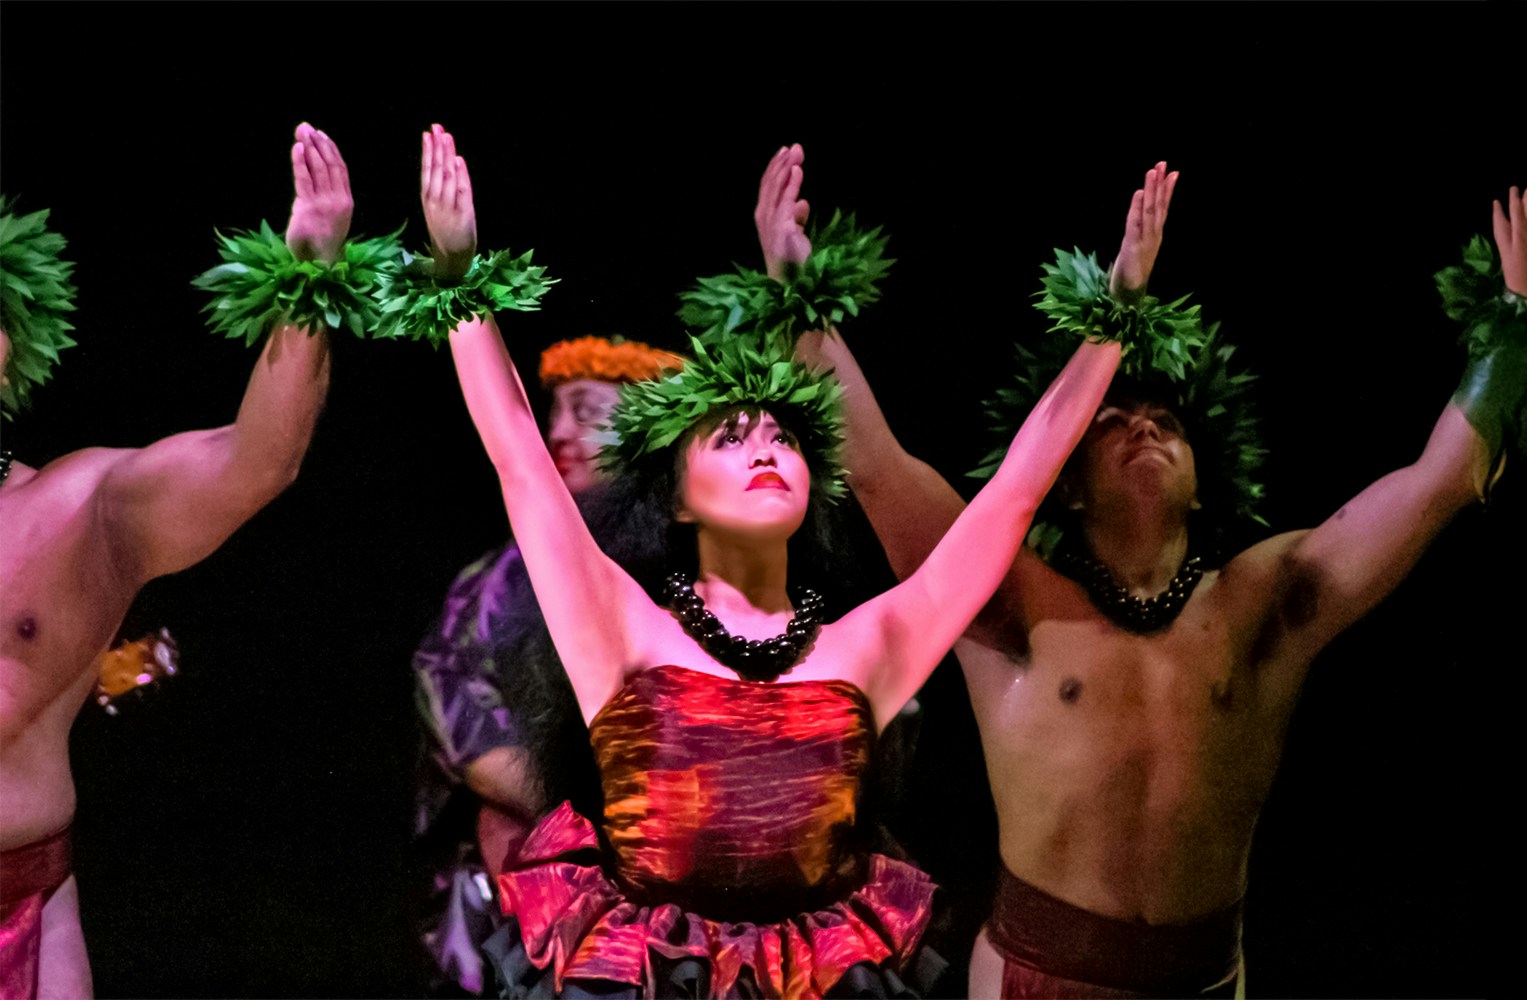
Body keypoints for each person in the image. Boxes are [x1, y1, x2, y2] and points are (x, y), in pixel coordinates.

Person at [770, 143, 1527, 996]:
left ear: (1201, 486)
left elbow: (1436, 482)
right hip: (1037, 977)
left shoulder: (1263, 602)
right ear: (1070, 487)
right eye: (1115, 419)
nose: (1144, 429)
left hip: (1204, 979)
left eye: (1166, 423)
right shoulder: (1008, 595)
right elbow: (878, 463)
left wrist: (1519, 328)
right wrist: (795, 294)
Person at [407, 124, 1120, 998]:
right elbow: (519, 452)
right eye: (731, 434)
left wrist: (1112, 327)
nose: (765, 447)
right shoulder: (618, 627)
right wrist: (459, 277)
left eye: (783, 433)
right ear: (674, 496)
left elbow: (1014, 495)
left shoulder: (868, 647)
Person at [0, 123, 350, 999]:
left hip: (18, 921)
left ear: (8, 354)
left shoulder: (75, 508)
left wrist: (305, 280)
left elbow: (258, 460)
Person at [414, 334, 682, 997]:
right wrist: (599, 812)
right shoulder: (496, 581)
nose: (559, 433)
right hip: (526, 881)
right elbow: (461, 719)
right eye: (553, 411)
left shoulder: (704, 575)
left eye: (587, 413)